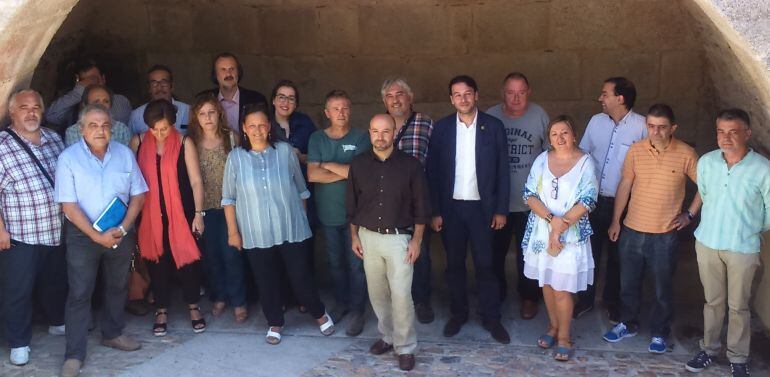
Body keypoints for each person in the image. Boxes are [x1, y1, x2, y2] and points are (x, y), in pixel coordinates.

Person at [222, 104, 335, 344]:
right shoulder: (235, 158)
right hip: (255, 231)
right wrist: (233, 232)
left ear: (269, 127)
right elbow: (228, 199)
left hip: (290, 228)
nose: (257, 130)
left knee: (301, 276)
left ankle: (318, 312)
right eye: (251, 125)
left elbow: (302, 190)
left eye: (262, 124)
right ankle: (275, 321)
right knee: (266, 279)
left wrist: (302, 222)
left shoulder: (284, 152)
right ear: (244, 128)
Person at [55, 104, 147, 377]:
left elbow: (138, 195)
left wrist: (123, 228)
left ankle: (113, 333)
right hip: (83, 236)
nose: (100, 130)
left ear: (112, 128)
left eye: (105, 125)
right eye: (93, 125)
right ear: (81, 129)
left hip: (120, 232)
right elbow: (69, 207)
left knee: (118, 285)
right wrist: (97, 236)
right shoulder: (68, 158)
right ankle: (74, 354)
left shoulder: (125, 154)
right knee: (80, 293)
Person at [602, 104, 701, 354]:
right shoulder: (636, 150)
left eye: (662, 127)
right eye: (651, 126)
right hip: (632, 228)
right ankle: (627, 323)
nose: (655, 132)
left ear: (673, 128)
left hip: (664, 233)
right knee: (629, 283)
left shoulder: (686, 153)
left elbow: (706, 186)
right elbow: (625, 184)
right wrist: (616, 220)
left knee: (662, 287)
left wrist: (689, 214)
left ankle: (659, 332)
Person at [685, 109, 769, 377]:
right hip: (708, 242)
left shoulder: (763, 169)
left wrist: (749, 229)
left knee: (739, 306)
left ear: (748, 133)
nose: (726, 137)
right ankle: (709, 349)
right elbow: (705, 194)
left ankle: (738, 357)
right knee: (713, 302)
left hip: (743, 247)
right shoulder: (707, 162)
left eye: (733, 132)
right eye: (721, 131)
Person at [426, 75, 510, 344]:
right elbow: (433, 174)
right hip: (451, 210)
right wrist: (435, 211)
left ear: (476, 95)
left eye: (467, 93)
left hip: (482, 210)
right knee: (454, 266)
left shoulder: (494, 126)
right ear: (451, 99)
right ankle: (458, 314)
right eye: (457, 94)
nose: (463, 99)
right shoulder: (441, 129)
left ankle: (491, 317)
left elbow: (502, 173)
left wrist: (501, 210)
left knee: (487, 266)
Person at [347, 114, 430, 371]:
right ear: (369, 133)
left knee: (402, 295)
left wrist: (416, 240)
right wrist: (354, 237)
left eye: (385, 131)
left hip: (400, 240)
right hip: (368, 238)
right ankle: (388, 337)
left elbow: (421, 207)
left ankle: (405, 347)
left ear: (394, 133)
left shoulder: (411, 165)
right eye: (375, 131)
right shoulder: (358, 164)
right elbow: (352, 205)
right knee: (378, 294)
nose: (380, 136)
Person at [522, 115, 597, 362]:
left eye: (564, 132)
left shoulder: (585, 162)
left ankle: (564, 336)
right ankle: (552, 327)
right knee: (547, 284)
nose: (560, 138)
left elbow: (588, 199)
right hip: (543, 231)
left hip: (570, 234)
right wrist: (550, 220)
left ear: (574, 135)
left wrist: (561, 224)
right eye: (554, 134)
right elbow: (529, 194)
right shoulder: (542, 160)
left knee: (563, 288)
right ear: (549, 138)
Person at [0, 90, 66, 366]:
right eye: (24, 108)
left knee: (54, 281)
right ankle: (18, 342)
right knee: (18, 290)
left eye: (36, 107)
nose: (31, 112)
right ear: (12, 113)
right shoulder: (1, 145)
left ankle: (56, 321)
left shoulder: (53, 139)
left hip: (55, 229)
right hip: (19, 233)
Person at [131, 99, 206, 336]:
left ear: (172, 123)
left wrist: (198, 214)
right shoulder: (139, 141)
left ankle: (193, 306)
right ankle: (161, 309)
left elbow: (195, 181)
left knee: (188, 263)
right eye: (154, 129)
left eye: (164, 128)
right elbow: (130, 180)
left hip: (181, 214)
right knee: (157, 262)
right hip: (150, 214)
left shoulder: (185, 142)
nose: (159, 133)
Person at [576, 77, 647, 322]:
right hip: (593, 201)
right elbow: (583, 156)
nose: (600, 98)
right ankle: (584, 300)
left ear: (620, 98)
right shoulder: (596, 122)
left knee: (619, 256)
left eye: (604, 94)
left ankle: (611, 302)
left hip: (624, 204)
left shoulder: (642, 127)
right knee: (588, 252)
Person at [307, 89, 371, 336]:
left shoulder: (362, 137)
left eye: (345, 108)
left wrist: (325, 164)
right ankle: (342, 303)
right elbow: (312, 175)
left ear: (351, 110)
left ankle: (358, 310)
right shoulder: (316, 139)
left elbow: (360, 174)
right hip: (328, 214)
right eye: (335, 108)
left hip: (356, 215)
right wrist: (344, 170)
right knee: (335, 264)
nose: (341, 113)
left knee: (356, 265)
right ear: (327, 113)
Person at [487, 72, 549, 320]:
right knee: (494, 254)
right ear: (503, 93)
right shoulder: (490, 116)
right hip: (497, 203)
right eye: (511, 92)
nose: (516, 98)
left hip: (530, 204)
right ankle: (497, 294)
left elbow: (550, 157)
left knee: (529, 256)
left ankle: (529, 298)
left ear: (529, 92)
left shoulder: (539, 116)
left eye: (521, 92)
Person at [187, 94, 247, 322]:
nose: (208, 117)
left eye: (211, 112)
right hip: (205, 208)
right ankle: (219, 295)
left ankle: (238, 300)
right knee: (212, 255)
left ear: (219, 113)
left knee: (232, 254)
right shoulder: (192, 141)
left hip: (231, 206)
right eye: (202, 114)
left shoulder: (231, 138)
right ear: (196, 118)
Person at [380, 77, 435, 323]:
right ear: (384, 101)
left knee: (419, 252)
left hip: (418, 201)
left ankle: (422, 300)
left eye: (400, 94)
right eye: (390, 96)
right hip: (388, 204)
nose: (395, 100)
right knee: (392, 255)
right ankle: (397, 301)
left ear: (410, 97)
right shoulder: (380, 125)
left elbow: (437, 165)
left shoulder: (426, 124)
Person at [270, 80, 317, 313]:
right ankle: (283, 297)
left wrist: (301, 157)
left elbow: (315, 157)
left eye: (290, 98)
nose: (285, 102)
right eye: (281, 96)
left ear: (296, 103)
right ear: (273, 100)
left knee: (302, 248)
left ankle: (303, 297)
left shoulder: (305, 123)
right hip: (274, 198)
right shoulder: (264, 126)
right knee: (278, 249)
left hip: (302, 195)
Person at [46, 58, 131, 131]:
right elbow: (51, 117)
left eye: (94, 79)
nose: (91, 85)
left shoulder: (120, 102)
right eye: (85, 82)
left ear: (103, 79)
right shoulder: (74, 102)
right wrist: (78, 93)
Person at [197, 52, 268, 131]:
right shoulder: (203, 99)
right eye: (223, 69)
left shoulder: (256, 99)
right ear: (215, 75)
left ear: (238, 72)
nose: (228, 74)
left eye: (232, 69)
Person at [128, 65, 191, 134]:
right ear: (149, 88)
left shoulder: (188, 111)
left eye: (164, 82)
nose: (159, 88)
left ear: (172, 86)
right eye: (154, 83)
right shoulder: (136, 116)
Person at [64, 84, 132, 146]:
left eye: (106, 101)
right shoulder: (73, 132)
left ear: (110, 105)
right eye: (96, 102)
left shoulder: (121, 129)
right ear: (85, 105)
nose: (101, 105)